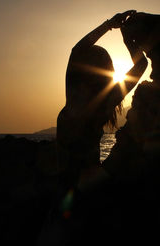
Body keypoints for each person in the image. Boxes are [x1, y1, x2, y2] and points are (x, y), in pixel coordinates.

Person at [56, 10, 148, 196]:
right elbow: (142, 65)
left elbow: (77, 50)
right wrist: (128, 39)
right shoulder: (108, 99)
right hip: (89, 183)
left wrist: (109, 25)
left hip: (65, 181)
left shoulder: (74, 92)